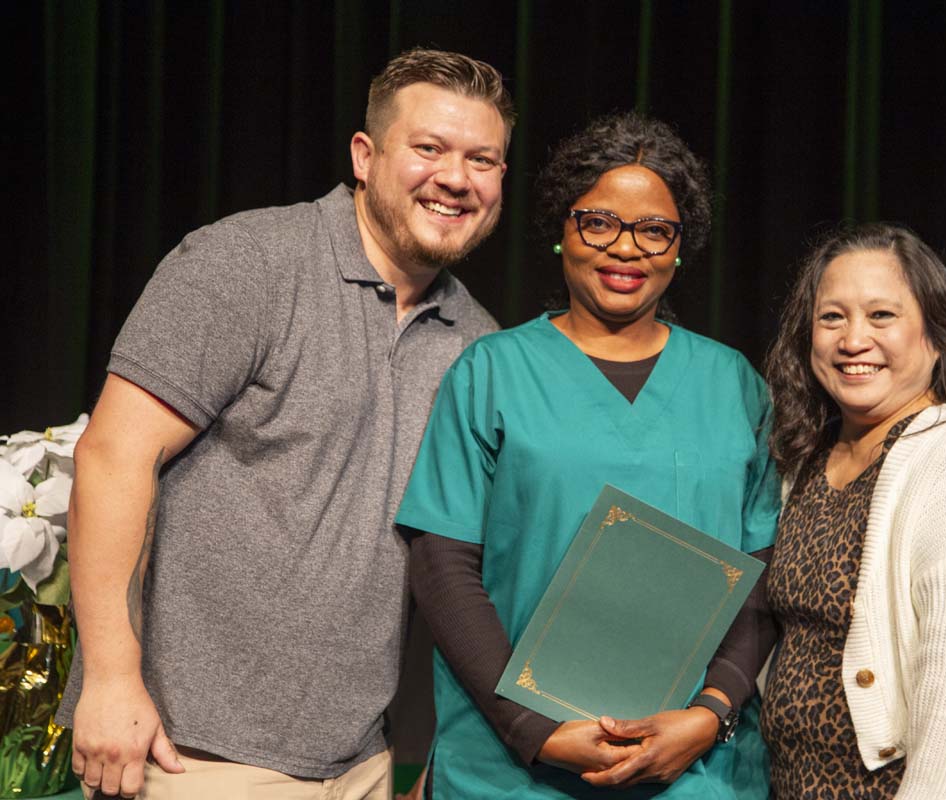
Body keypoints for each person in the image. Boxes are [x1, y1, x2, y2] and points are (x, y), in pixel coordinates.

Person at [59, 48, 510, 799]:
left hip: (361, 762)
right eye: (428, 148)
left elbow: (458, 567)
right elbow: (111, 458)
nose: (456, 178)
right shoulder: (249, 263)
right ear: (365, 157)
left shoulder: (478, 342)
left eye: (482, 159)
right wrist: (109, 678)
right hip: (189, 754)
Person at [395, 112, 780, 798]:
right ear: (561, 232)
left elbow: (760, 576)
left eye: (654, 230)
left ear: (680, 247)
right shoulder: (492, 372)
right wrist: (533, 728)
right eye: (598, 223)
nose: (625, 249)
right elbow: (443, 565)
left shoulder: (734, 386)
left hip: (694, 773)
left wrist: (709, 714)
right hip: (513, 771)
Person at [761, 224, 946, 799]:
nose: (853, 340)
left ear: (937, 335)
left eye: (882, 316)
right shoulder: (813, 458)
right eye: (832, 318)